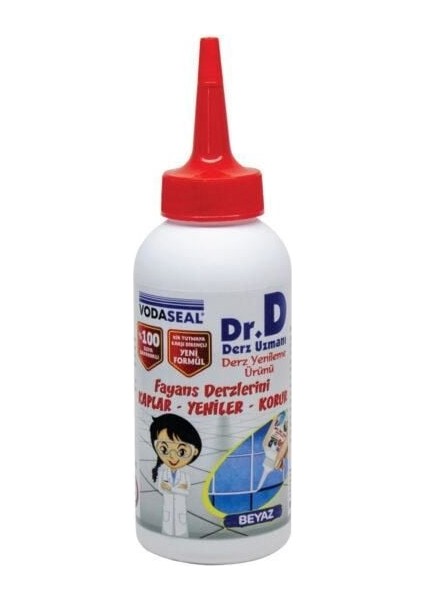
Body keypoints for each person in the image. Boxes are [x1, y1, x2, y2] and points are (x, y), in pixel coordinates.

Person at [150, 413, 202, 537]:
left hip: (179, 514)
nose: (172, 456)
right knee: (166, 532)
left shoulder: (185, 476)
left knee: (182, 532)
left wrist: (171, 489)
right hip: (168, 513)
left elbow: (186, 492)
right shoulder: (163, 473)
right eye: (164, 449)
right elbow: (161, 488)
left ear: (195, 451)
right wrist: (178, 489)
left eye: (181, 451)